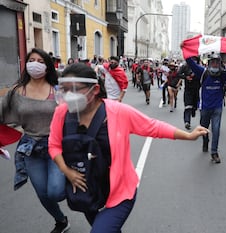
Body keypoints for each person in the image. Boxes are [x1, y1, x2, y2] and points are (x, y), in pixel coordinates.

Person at [48, 63, 208, 233]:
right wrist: (67, 171)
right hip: (88, 190)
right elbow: (54, 144)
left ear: (94, 90)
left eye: (74, 89)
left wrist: (188, 136)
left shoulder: (117, 112)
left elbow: (153, 127)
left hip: (120, 192)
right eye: (64, 89)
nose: (68, 95)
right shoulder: (62, 112)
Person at [0, 48, 70, 233]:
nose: (35, 64)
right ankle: (61, 220)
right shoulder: (16, 91)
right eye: (32, 60)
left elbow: (74, 115)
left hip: (56, 147)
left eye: (41, 61)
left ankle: (69, 181)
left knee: (56, 191)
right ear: (26, 63)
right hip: (31, 149)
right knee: (43, 193)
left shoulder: (58, 90)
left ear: (47, 66)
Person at [185, 52, 226, 164]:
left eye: (217, 62)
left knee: (216, 130)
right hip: (205, 108)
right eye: (213, 62)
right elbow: (190, 62)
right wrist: (185, 49)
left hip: (217, 108)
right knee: (203, 129)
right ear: (209, 63)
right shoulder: (203, 73)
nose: (215, 64)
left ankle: (214, 152)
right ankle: (205, 141)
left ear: (220, 63)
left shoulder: (223, 75)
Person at [178, 57, 201, 129]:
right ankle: (187, 122)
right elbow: (178, 74)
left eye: (195, 59)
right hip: (188, 90)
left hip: (196, 89)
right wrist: (186, 77)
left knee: (195, 106)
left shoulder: (199, 68)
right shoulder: (185, 66)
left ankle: (193, 110)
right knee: (188, 106)